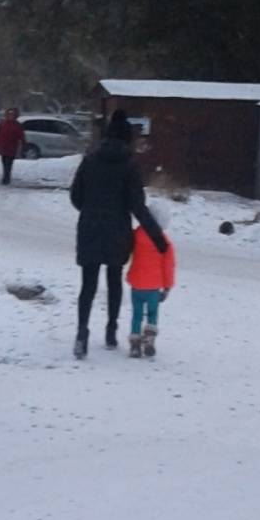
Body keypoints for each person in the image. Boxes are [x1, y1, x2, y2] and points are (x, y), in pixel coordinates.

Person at [69, 109, 167, 359]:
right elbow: (137, 205)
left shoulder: (89, 160)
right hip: (117, 230)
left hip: (90, 226)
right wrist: (157, 238)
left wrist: (90, 210)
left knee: (88, 283)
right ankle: (111, 331)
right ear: (127, 138)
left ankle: (82, 333)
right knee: (114, 279)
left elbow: (75, 195)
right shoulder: (130, 166)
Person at [127, 201, 175, 358]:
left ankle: (134, 344)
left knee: (137, 314)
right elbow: (168, 266)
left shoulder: (136, 235)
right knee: (153, 313)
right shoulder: (164, 242)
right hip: (154, 286)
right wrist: (167, 286)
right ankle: (149, 338)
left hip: (136, 284)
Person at [0, 107, 26, 185]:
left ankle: (6, 178)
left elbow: (21, 136)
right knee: (4, 163)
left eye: (12, 115)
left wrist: (23, 145)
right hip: (3, 147)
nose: (11, 116)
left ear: (15, 116)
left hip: (12, 148)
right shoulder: (3, 123)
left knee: (9, 163)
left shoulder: (17, 125)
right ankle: (5, 177)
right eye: (9, 114)